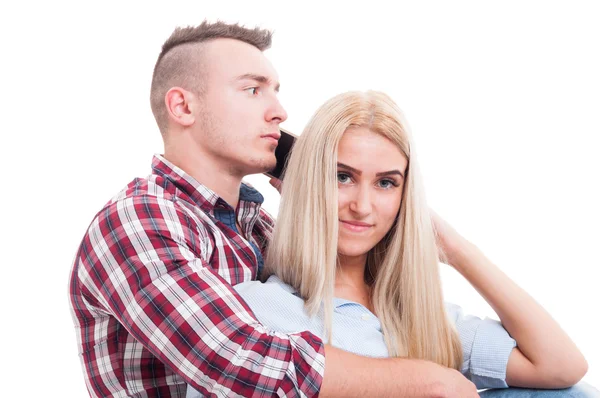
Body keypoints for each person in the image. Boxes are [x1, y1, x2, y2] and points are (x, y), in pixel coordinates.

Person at [69, 21, 485, 397]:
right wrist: (431, 381)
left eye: (276, 91)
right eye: (253, 90)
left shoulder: (259, 230)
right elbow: (241, 360)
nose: (279, 112)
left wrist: (318, 184)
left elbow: (362, 316)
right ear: (183, 107)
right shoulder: (138, 221)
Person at [186, 90, 594, 398]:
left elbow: (561, 368)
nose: (362, 206)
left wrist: (456, 250)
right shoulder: (255, 308)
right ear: (307, 180)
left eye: (386, 183)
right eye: (341, 176)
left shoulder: (421, 317)